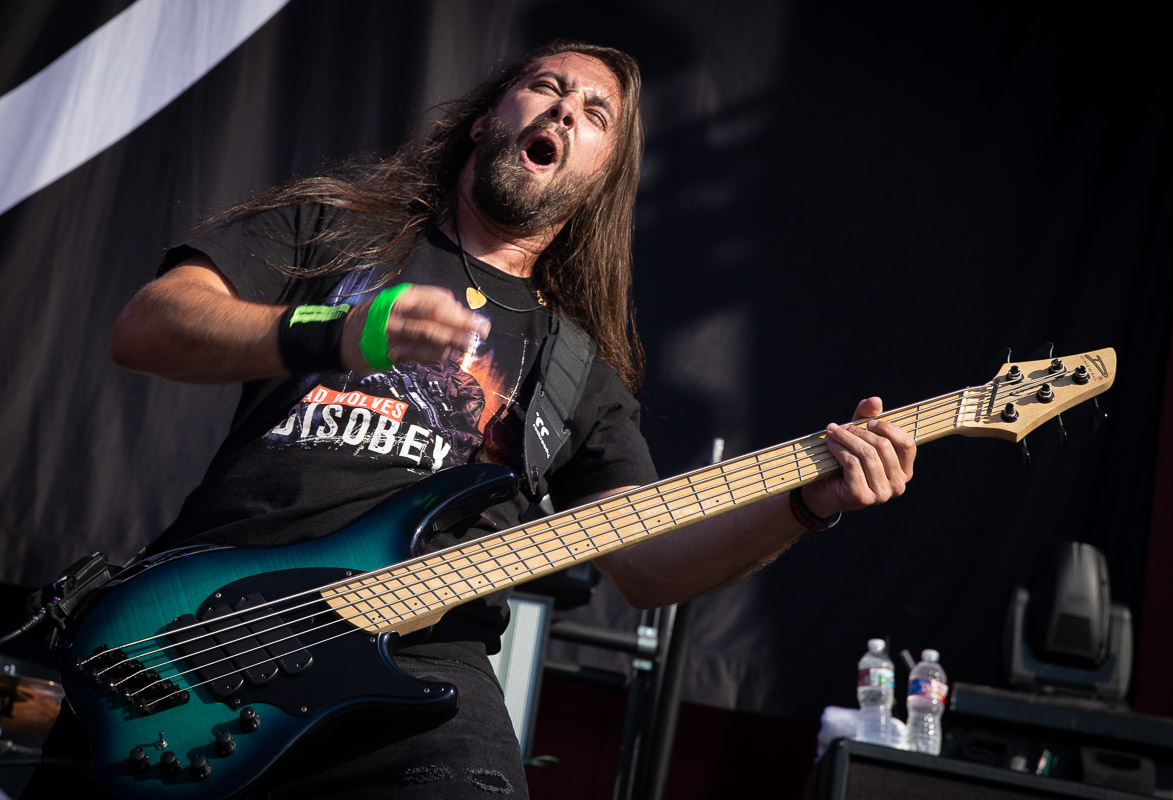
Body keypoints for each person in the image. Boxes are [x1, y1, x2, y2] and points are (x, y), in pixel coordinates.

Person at [29, 41, 915, 799]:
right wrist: (344, 332)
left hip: (417, 674)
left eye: (596, 115)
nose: (564, 111)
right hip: (203, 630)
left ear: (601, 178)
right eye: (547, 88)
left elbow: (647, 566)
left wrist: (807, 502)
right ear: (489, 117)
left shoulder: (579, 371)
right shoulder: (338, 230)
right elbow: (150, 327)